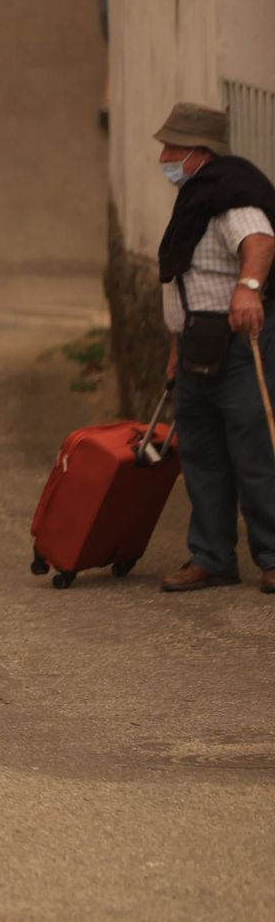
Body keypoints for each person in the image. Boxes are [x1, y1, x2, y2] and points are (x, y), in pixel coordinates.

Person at [152, 102, 275, 592]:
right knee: (201, 453)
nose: (163, 156)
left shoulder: (231, 195)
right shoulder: (197, 198)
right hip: (196, 343)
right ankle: (211, 556)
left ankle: (272, 556)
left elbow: (261, 240)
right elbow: (183, 281)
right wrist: (175, 350)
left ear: (199, 152)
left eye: (172, 148)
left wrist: (247, 286)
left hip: (239, 342)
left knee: (254, 452)